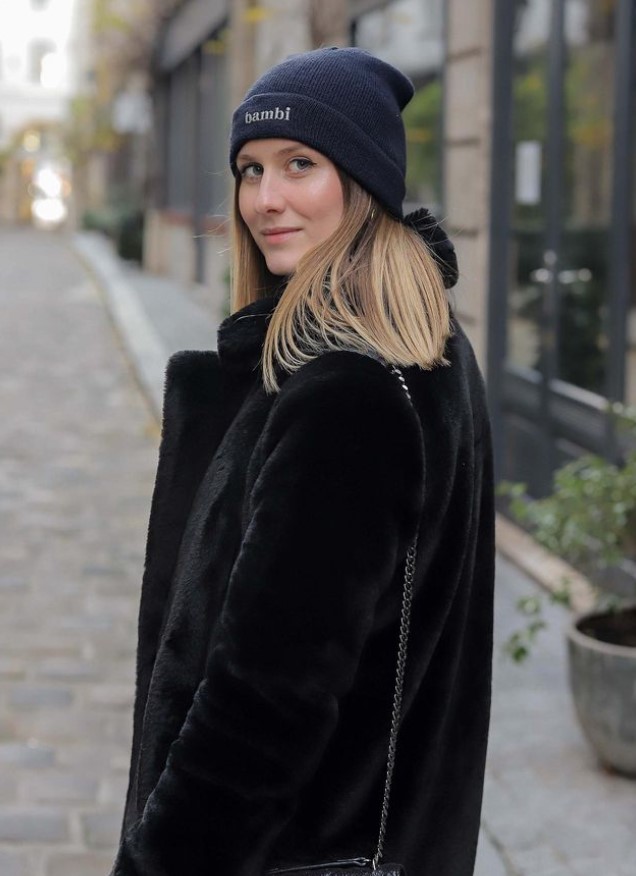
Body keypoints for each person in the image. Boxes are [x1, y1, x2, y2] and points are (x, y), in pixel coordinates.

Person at [110, 47, 495, 876]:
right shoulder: (423, 344)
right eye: (250, 170)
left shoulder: (347, 393)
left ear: (364, 181)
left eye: (299, 164)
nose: (264, 198)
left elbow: (262, 706)